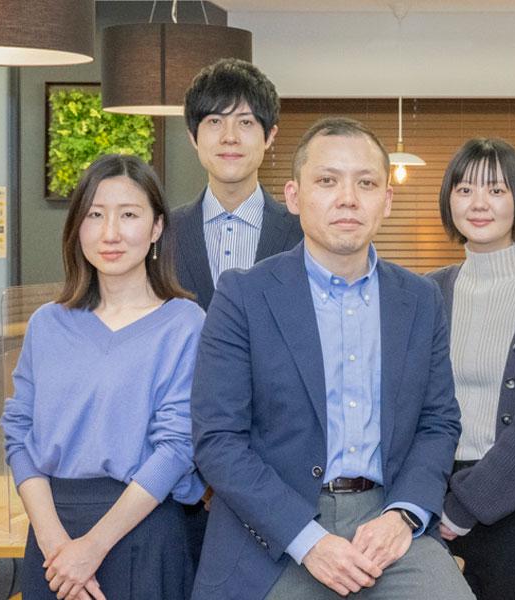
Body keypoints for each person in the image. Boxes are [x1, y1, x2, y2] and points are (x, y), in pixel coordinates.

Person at [189, 117, 474, 600]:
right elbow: (218, 440)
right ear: (294, 196)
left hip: (387, 520)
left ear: (386, 200)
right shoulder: (243, 296)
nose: (348, 198)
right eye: (327, 181)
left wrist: (403, 515)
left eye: (366, 183)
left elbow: (438, 422)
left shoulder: (420, 299)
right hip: (275, 530)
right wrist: (308, 540)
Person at [1, 154, 206, 600]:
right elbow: (19, 433)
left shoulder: (184, 323)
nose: (110, 232)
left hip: (143, 529)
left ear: (156, 228)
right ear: (77, 227)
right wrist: (57, 547)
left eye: (128, 215)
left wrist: (91, 548)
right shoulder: (47, 323)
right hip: (53, 539)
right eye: (95, 215)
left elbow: (176, 447)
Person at [425, 138, 515, 600]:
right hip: (431, 494)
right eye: (465, 190)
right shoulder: (428, 292)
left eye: (496, 189)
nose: (479, 203)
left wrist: (466, 505)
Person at [166, 58, 303, 310]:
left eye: (245, 122)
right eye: (215, 121)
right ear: (193, 136)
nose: (230, 137)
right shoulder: (163, 233)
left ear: (269, 136)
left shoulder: (303, 232)